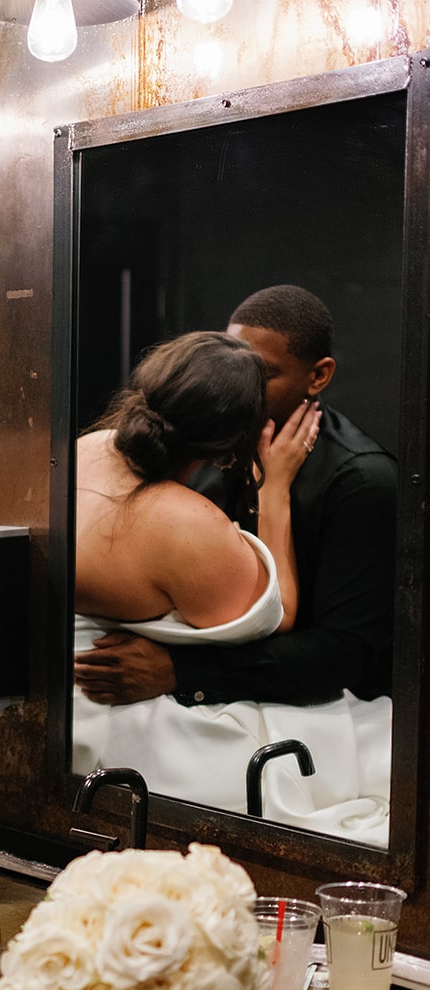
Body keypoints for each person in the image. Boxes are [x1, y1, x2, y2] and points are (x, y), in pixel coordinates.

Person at [72, 326, 392, 840]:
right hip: (124, 712)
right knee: (357, 744)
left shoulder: (87, 448)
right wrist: (277, 491)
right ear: (232, 445)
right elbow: (278, 614)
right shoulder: (187, 524)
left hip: (66, 697)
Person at [74, 285, 397, 708]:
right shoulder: (197, 435)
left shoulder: (361, 481)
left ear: (317, 376)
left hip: (309, 704)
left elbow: (341, 653)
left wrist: (181, 671)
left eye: (260, 375)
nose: (234, 384)